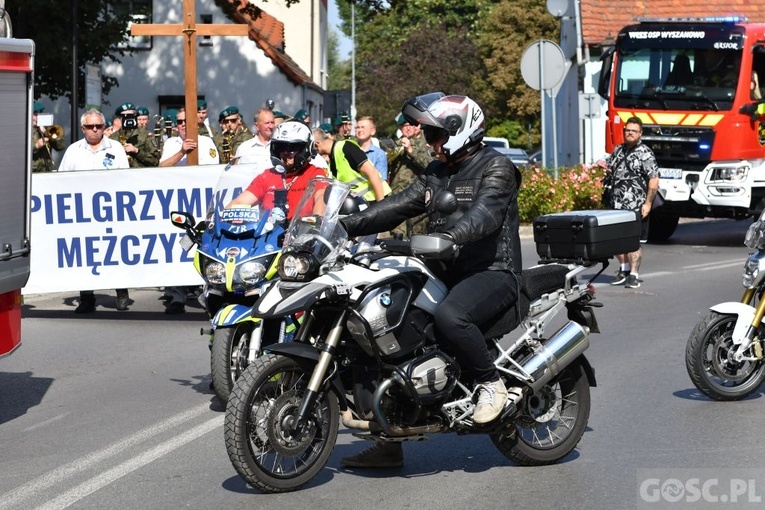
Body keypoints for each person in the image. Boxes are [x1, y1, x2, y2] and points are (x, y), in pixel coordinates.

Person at [339, 93, 524, 468]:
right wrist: (342, 226)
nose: (429, 142)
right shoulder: (437, 172)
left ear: (460, 131)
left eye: (436, 134)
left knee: (451, 316)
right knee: (383, 330)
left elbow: (486, 212)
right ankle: (390, 440)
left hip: (491, 271)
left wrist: (454, 236)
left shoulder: (498, 167)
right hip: (443, 270)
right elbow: (396, 205)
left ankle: (491, 383)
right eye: (428, 134)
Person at [58, 109, 132, 313]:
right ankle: (87, 297)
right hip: (82, 212)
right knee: (85, 254)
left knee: (115, 251)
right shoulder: (73, 150)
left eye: (99, 126)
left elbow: (125, 178)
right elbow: (61, 180)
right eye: (90, 126)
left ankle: (122, 292)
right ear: (83, 128)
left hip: (110, 210)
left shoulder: (115, 148)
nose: (95, 130)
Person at [160, 108, 219, 313]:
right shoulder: (171, 143)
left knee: (205, 245)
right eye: (179, 122)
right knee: (180, 246)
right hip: (179, 202)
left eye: (187, 121)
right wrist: (182, 152)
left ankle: (208, 292)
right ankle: (177, 296)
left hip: (202, 203)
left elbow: (214, 171)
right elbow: (162, 167)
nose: (183, 125)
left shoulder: (207, 142)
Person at [226, 120, 327, 219]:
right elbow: (240, 202)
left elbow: (321, 197)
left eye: (293, 147)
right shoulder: (269, 175)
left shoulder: (315, 173)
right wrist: (222, 216)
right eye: (281, 147)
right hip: (268, 233)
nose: (286, 152)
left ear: (305, 148)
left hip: (301, 233)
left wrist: (316, 221)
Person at [603, 116, 659, 289]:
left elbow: (654, 180)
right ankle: (624, 269)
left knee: (634, 242)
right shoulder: (618, 150)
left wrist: (648, 204)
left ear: (640, 133)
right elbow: (610, 169)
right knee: (617, 240)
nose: (630, 133)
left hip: (636, 206)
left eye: (634, 131)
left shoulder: (645, 153)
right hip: (615, 206)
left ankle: (634, 274)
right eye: (627, 130)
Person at [314, 129, 390, 203]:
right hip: (361, 205)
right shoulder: (332, 158)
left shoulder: (346, 147)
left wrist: (381, 204)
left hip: (375, 201)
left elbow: (372, 172)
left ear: (316, 145)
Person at [388, 113, 433, 237]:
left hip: (417, 197)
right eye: (404, 126)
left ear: (418, 126)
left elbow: (429, 166)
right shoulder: (396, 144)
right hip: (398, 195)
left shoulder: (428, 144)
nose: (407, 128)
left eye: (411, 125)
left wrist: (410, 151)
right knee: (396, 234)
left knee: (417, 234)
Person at [109, 102, 160, 168]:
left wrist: (137, 151)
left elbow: (155, 161)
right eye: (126, 116)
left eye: (132, 115)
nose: (129, 118)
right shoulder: (113, 138)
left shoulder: (146, 135)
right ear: (119, 119)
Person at [31, 101, 66, 173]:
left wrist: (46, 133)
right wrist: (36, 145)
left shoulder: (46, 128)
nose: (37, 116)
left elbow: (61, 146)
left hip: (47, 171)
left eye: (39, 113)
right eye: (35, 114)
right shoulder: (23, 130)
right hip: (32, 173)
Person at [354, 115, 388, 181]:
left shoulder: (379, 154)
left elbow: (382, 181)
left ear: (373, 131)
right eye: (358, 127)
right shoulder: (350, 150)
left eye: (363, 127)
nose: (360, 130)